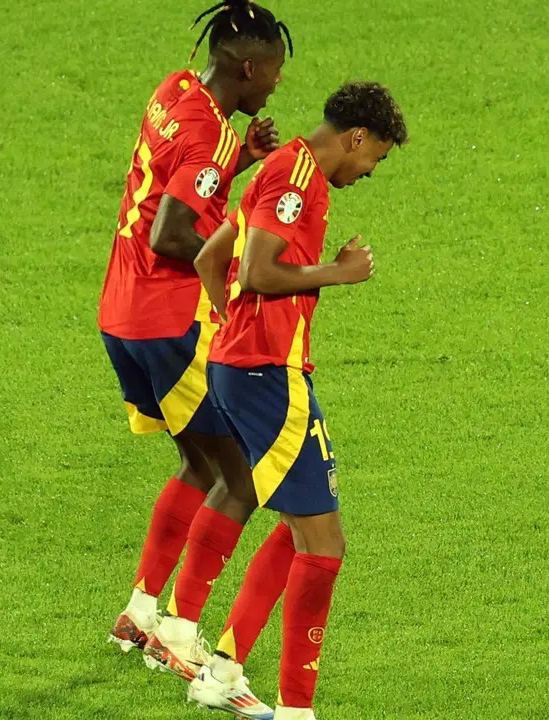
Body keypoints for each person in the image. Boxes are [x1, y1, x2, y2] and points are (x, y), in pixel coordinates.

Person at [187, 81, 408, 720]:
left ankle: (223, 671)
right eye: (376, 158)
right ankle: (296, 710)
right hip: (267, 377)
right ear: (357, 138)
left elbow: (209, 259)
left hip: (243, 368)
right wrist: (336, 274)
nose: (369, 171)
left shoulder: (280, 166)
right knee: (324, 543)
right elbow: (256, 271)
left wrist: (233, 333)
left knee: (298, 526)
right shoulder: (297, 178)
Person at [100, 1, 292, 685]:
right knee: (239, 477)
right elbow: (172, 234)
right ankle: (179, 634)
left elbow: (183, 179)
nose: (275, 84)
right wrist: (242, 269)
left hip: (120, 314)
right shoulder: (208, 133)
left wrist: (239, 156)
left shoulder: (175, 90)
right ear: (247, 67)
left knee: (199, 467)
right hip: (168, 321)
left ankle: (141, 609)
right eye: (272, 71)